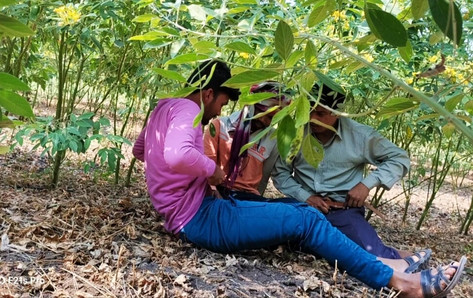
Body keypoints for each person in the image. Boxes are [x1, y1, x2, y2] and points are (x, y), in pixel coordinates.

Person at [132, 60, 466, 297]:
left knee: (304, 219)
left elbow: (140, 150)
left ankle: (385, 264)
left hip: (196, 212)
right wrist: (213, 171)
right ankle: (402, 284)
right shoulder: (193, 111)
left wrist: (170, 189)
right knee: (305, 219)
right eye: (221, 100)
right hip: (200, 216)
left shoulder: (163, 107)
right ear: (207, 93)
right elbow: (177, 155)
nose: (219, 109)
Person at [272, 83, 412, 260]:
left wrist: (366, 184)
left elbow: (399, 158)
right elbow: (280, 174)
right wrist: (305, 197)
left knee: (371, 256)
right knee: (267, 231)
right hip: (302, 207)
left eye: (320, 113)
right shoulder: (295, 132)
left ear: (337, 112)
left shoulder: (359, 136)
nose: (312, 118)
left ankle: (404, 260)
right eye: (309, 111)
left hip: (343, 211)